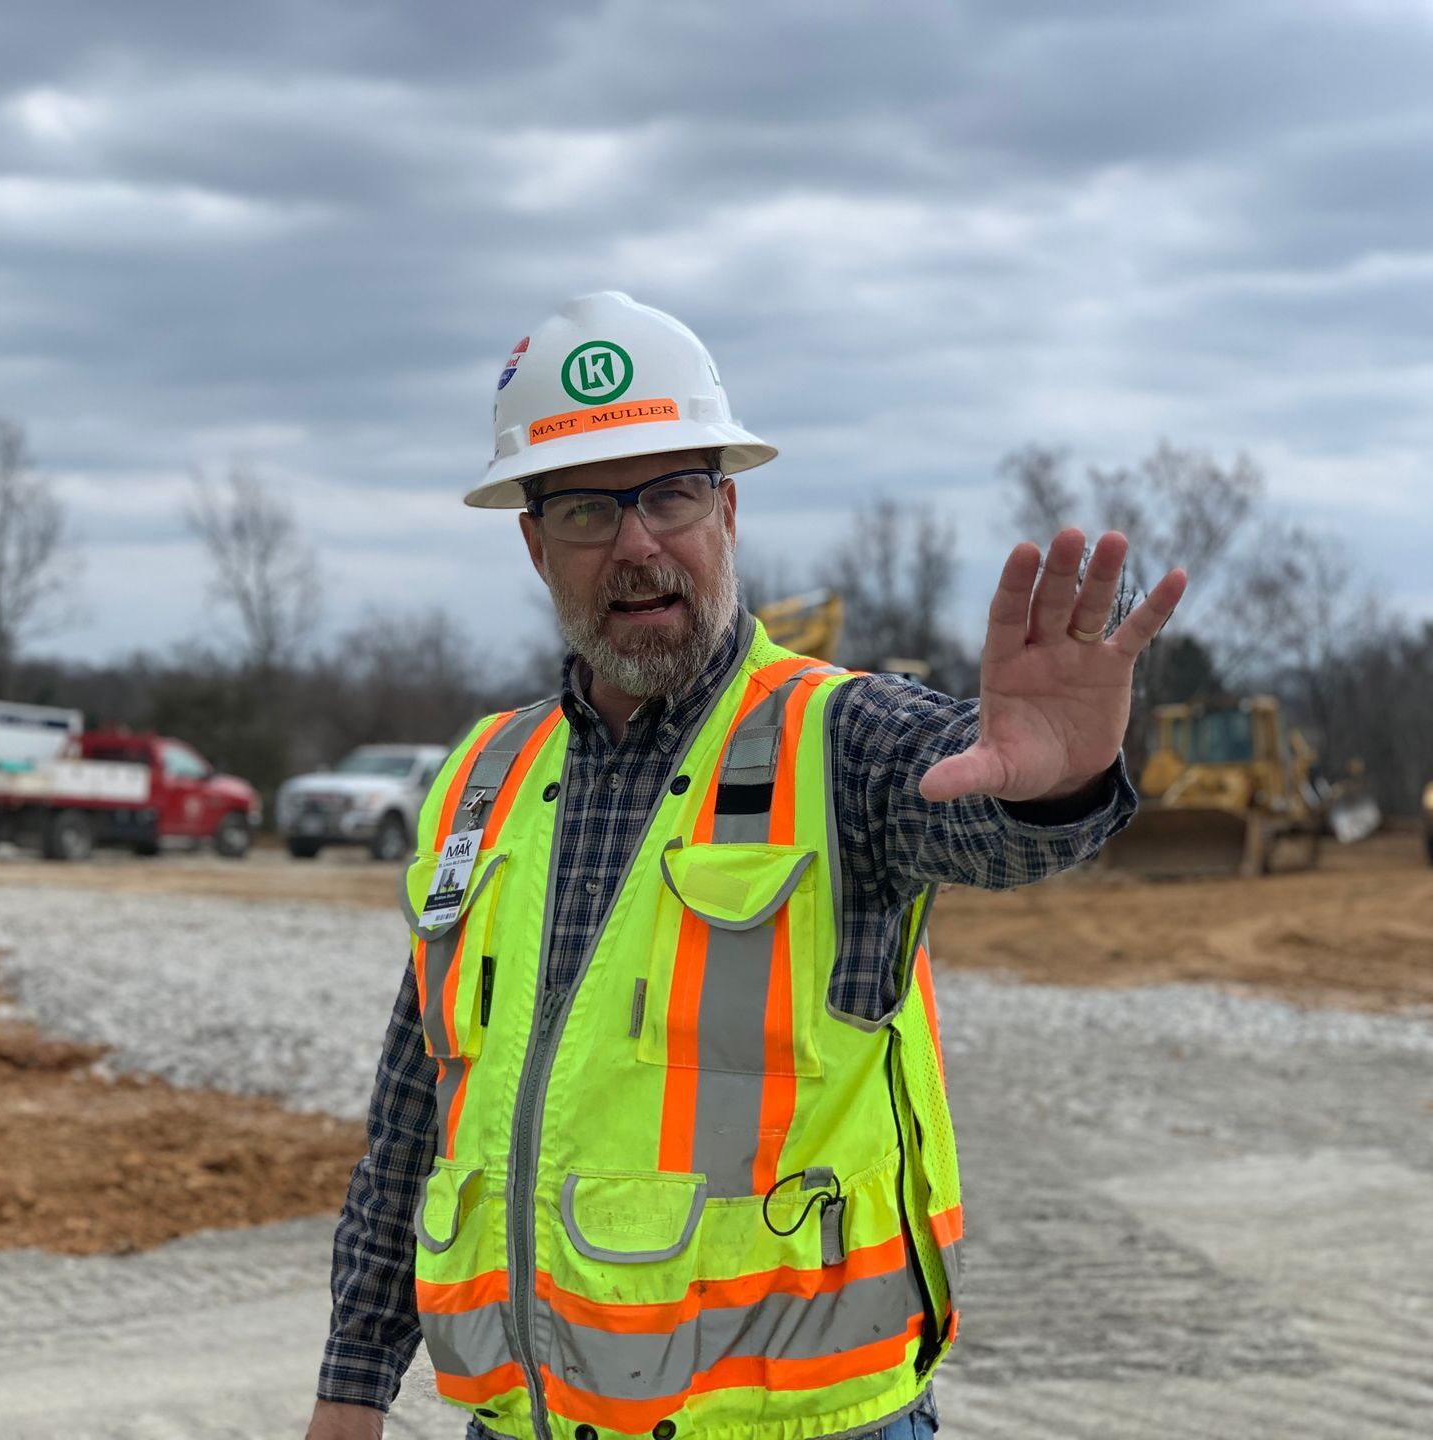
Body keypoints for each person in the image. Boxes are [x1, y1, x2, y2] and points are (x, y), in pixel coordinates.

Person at [307, 292, 1187, 1440]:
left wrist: (1057, 786)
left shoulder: (844, 742)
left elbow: (980, 819)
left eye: (671, 493)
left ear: (725, 509)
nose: (636, 543)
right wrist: (350, 1385)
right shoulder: (484, 778)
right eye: (585, 508)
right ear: (534, 543)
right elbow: (418, 1106)